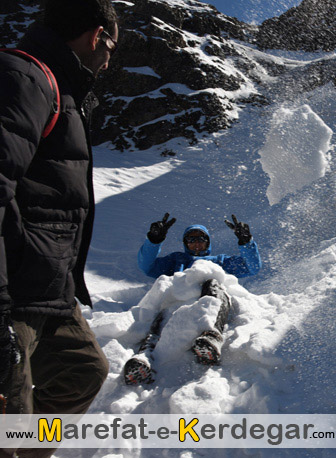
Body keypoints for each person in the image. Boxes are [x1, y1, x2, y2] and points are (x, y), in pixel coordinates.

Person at [0, 0, 117, 455]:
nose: (110, 60)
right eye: (111, 46)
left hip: (46, 290)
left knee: (83, 370)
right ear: (96, 36)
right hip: (13, 295)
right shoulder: (24, 77)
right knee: (13, 420)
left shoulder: (61, 91)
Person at [123, 213, 262, 384]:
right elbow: (147, 267)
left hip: (211, 301)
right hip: (178, 306)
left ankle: (211, 337)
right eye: (191, 239)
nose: (196, 243)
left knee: (213, 283)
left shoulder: (220, 261)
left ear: (208, 242)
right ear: (185, 243)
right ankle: (144, 358)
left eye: (201, 239)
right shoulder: (177, 260)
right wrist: (154, 240)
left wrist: (245, 242)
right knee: (163, 309)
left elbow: (252, 267)